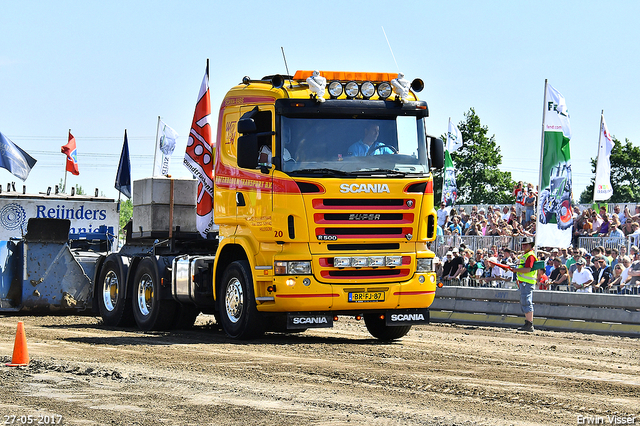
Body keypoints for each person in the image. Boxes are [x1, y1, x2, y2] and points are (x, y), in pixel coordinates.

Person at [509, 236, 538, 332]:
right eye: (523, 244)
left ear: (530, 245)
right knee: (525, 302)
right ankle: (528, 323)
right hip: (525, 282)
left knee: (526, 302)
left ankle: (529, 323)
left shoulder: (529, 256)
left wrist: (515, 270)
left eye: (525, 244)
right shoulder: (526, 255)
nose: (523, 246)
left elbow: (527, 269)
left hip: (527, 283)